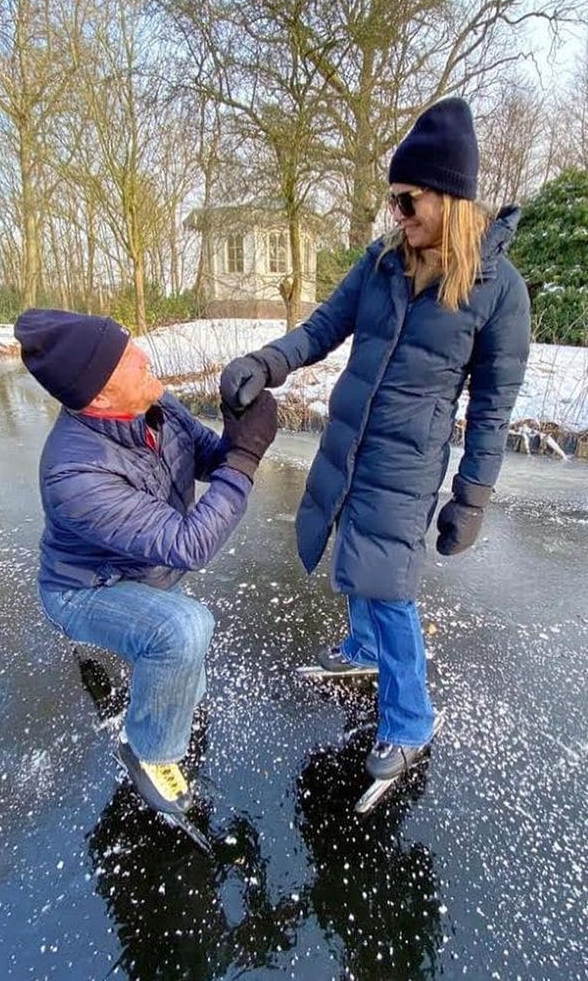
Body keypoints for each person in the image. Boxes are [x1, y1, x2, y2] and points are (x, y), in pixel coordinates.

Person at [221, 97, 531, 783]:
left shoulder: (497, 288)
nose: (397, 212)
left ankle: (410, 721)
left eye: (408, 199)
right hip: (352, 437)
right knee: (351, 553)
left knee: (388, 586)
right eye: (392, 199)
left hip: (410, 460)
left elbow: (493, 407)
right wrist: (265, 362)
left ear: (447, 197)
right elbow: (322, 327)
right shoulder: (383, 261)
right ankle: (361, 645)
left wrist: (471, 496)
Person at [15, 308, 277, 817]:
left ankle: (160, 702)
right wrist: (246, 459)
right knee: (182, 630)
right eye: (127, 359)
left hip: (145, 572)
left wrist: (238, 424)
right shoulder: (75, 471)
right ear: (99, 396)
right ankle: (149, 752)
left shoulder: (156, 407)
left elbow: (209, 458)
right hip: (86, 589)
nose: (143, 356)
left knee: (183, 670)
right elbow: (189, 545)